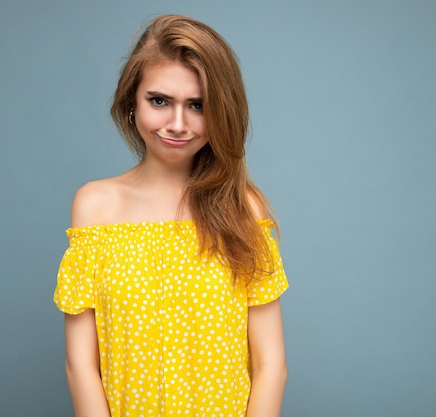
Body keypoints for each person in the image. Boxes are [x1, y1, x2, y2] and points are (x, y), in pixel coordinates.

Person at [53, 14, 288, 417]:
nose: (178, 124)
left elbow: (271, 366)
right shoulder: (95, 207)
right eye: (159, 101)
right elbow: (81, 366)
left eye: (197, 106)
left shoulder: (244, 208)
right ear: (132, 102)